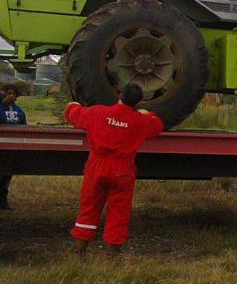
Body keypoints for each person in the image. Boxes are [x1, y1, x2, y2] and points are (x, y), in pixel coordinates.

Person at [64, 83, 163, 254]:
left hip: (97, 166)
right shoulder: (140, 121)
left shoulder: (98, 112)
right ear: (138, 101)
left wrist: (73, 105)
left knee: (89, 207)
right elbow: (157, 126)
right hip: (122, 169)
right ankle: (112, 254)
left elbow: (73, 115)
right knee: (119, 211)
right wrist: (147, 113)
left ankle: (79, 248)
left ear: (120, 95)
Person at [0, 84, 26, 210]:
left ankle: (2, 201)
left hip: (12, 148)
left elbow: (24, 127)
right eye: (9, 93)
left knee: (6, 176)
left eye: (13, 94)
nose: (11, 96)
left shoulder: (19, 111)